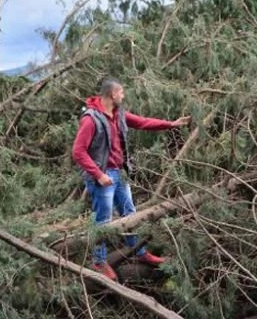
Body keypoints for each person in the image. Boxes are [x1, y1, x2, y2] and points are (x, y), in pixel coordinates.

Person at [71, 77, 191, 280]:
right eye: (121, 92)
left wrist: (171, 124)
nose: (123, 95)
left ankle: (139, 252)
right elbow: (78, 151)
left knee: (130, 213)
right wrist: (98, 175)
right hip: (103, 176)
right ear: (112, 94)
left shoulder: (119, 115)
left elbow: (143, 122)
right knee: (103, 221)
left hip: (120, 172)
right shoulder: (91, 119)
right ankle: (99, 261)